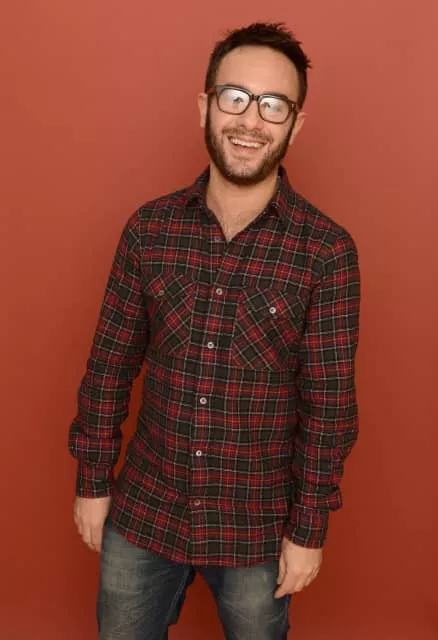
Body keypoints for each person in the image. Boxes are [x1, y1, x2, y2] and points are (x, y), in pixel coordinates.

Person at [68, 22, 361, 640]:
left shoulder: (326, 252)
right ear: (205, 106)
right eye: (235, 97)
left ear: (295, 125)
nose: (250, 119)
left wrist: (308, 529)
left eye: (273, 104)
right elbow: (109, 365)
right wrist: (93, 481)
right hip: (144, 511)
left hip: (257, 527)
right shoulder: (149, 230)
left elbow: (329, 406)